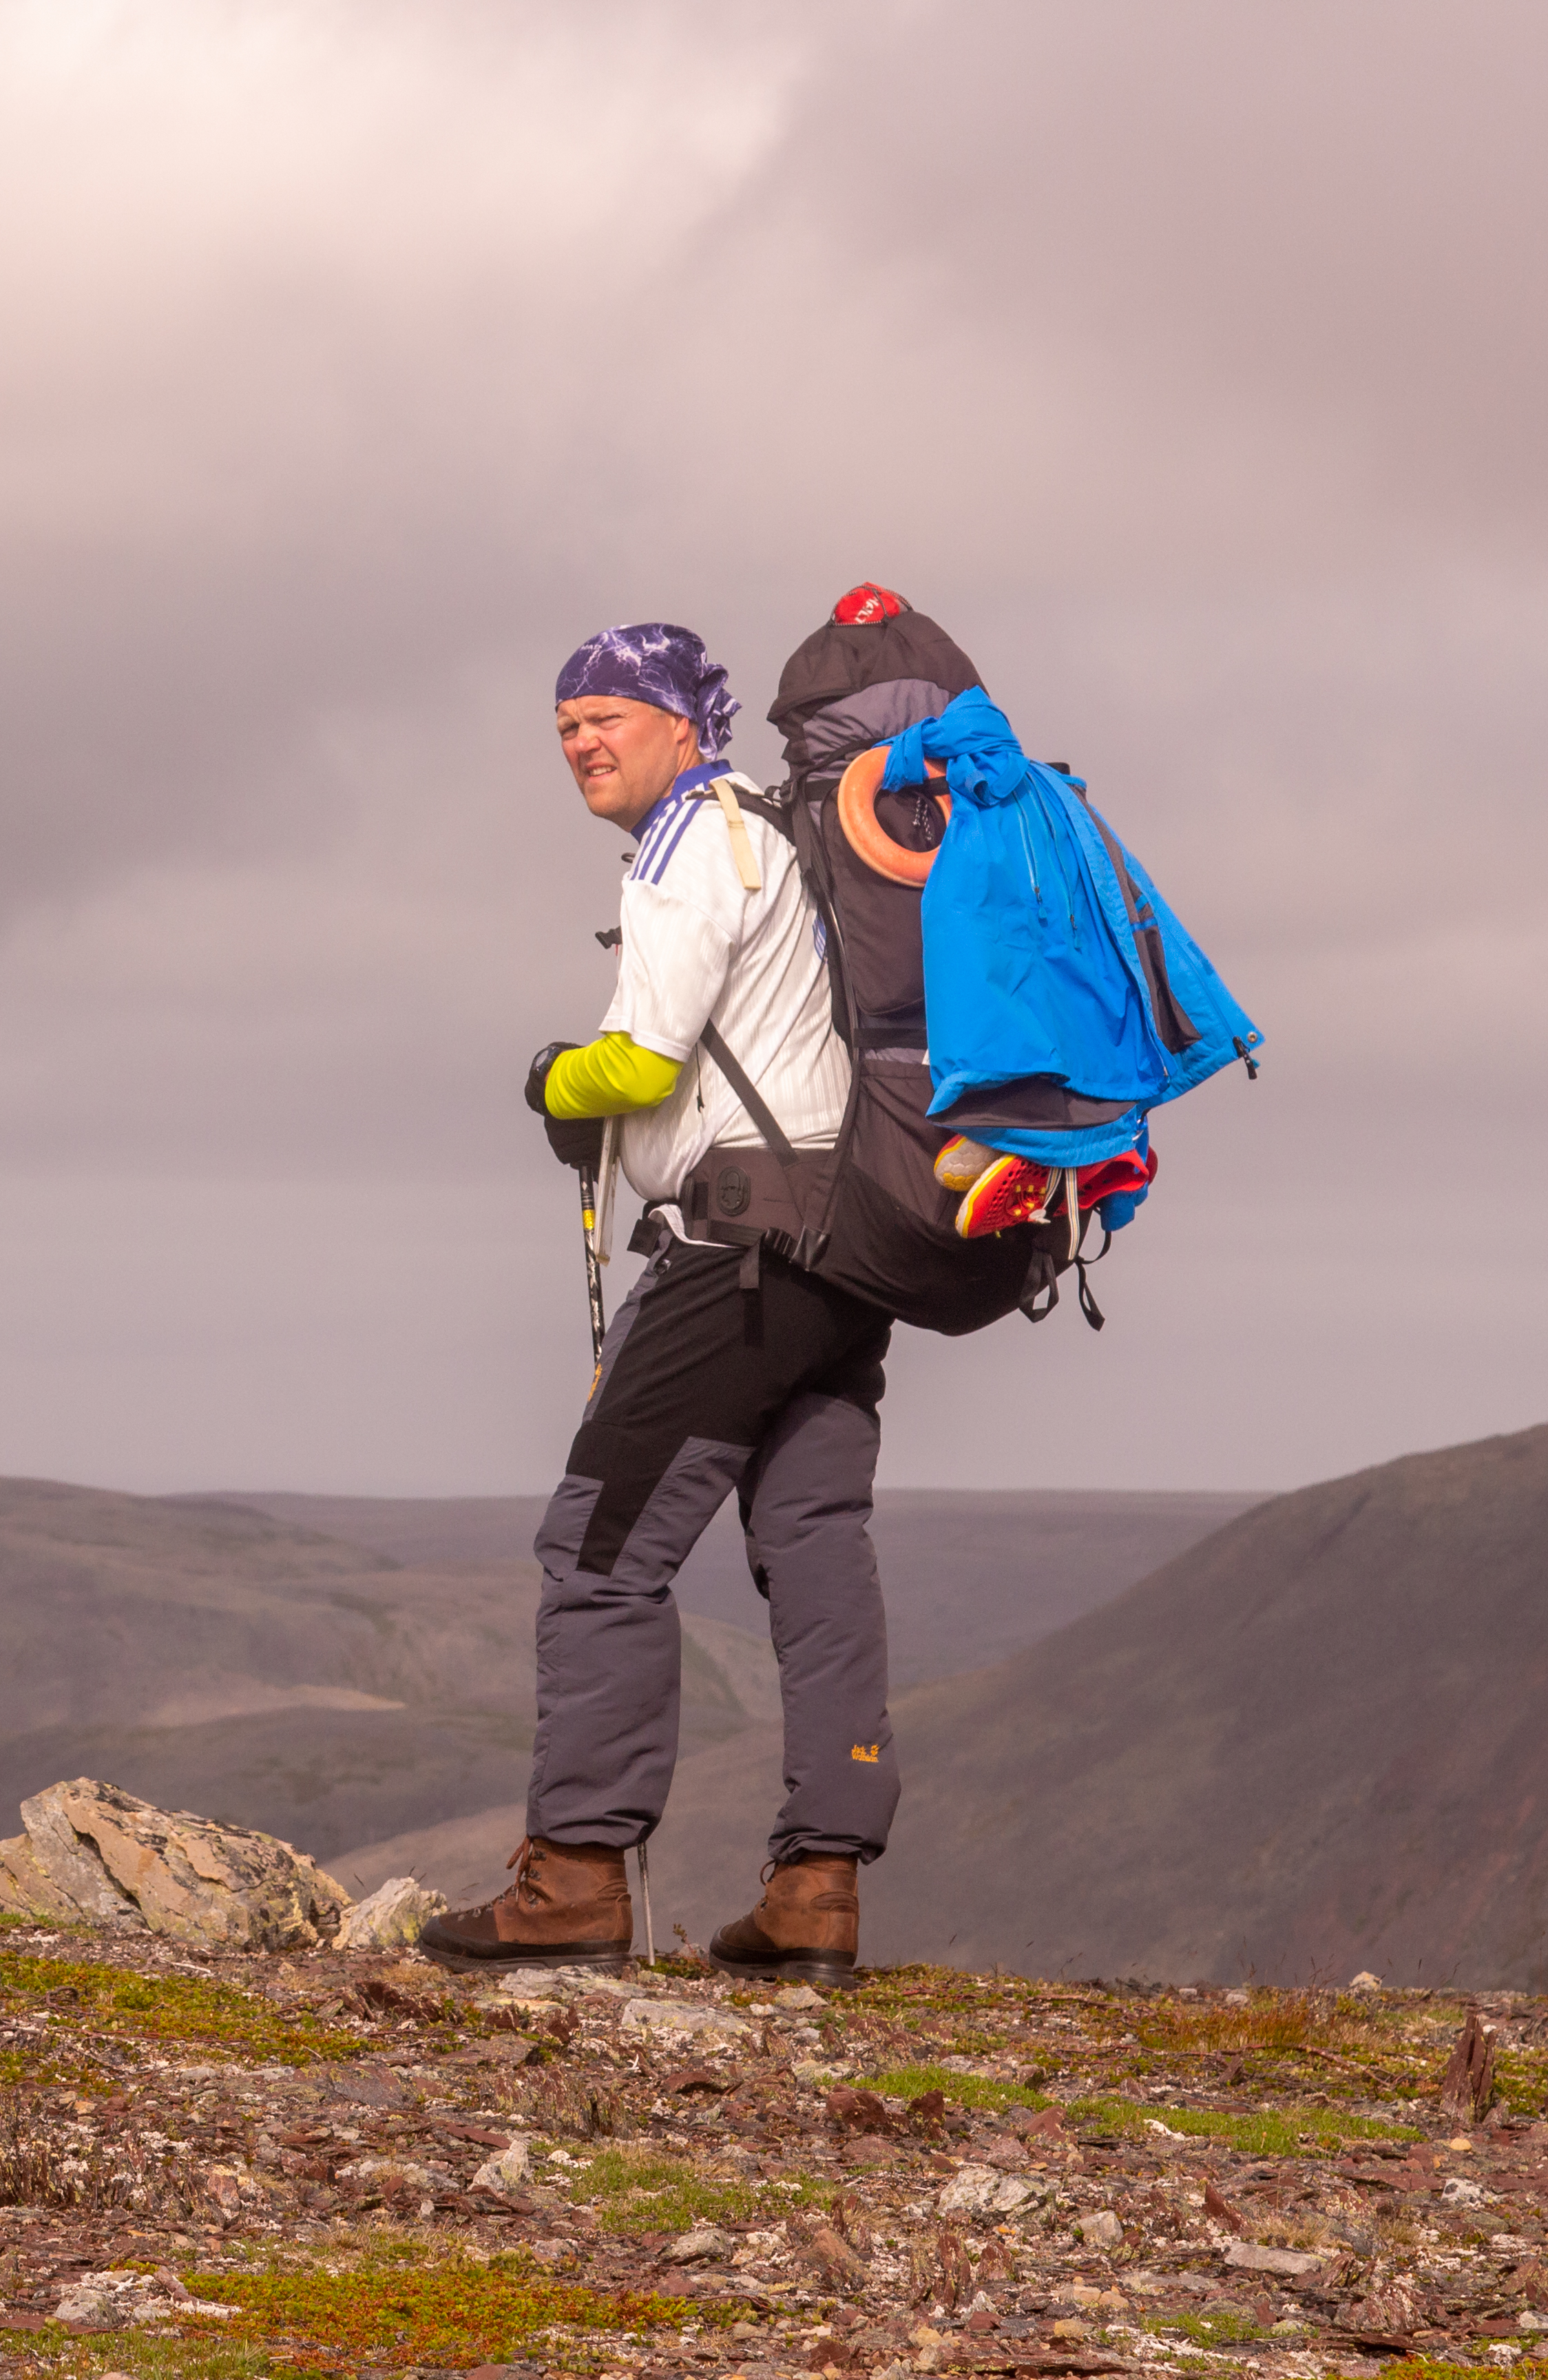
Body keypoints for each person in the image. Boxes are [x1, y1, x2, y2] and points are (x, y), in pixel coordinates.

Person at [415, 621, 895, 1987]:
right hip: (850, 1251)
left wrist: (554, 1082)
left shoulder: (695, 844)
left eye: (611, 714)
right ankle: (819, 1890)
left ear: (689, 724)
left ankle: (571, 1878)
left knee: (598, 1549)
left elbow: (639, 1061)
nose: (582, 741)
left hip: (741, 1249)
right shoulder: (788, 846)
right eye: (566, 723)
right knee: (814, 1547)